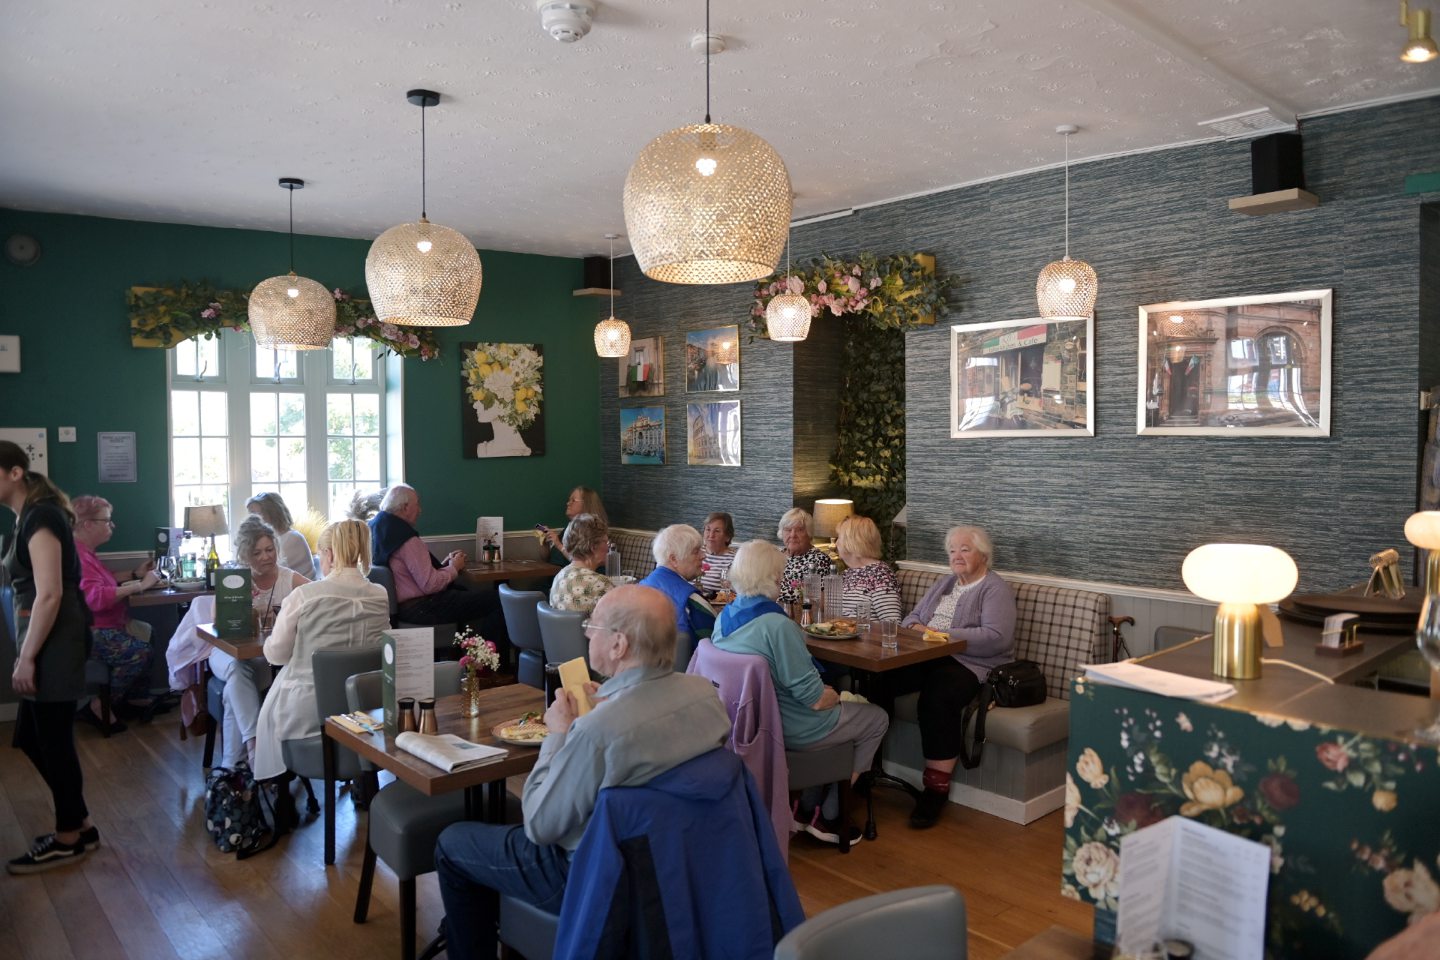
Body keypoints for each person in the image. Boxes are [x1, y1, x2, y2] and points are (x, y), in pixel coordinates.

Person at [432, 584, 731, 959]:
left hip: (592, 873)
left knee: (453, 843)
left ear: (619, 645)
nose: (587, 632)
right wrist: (614, 698)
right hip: (677, 862)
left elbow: (540, 826)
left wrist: (558, 735)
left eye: (593, 625)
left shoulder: (597, 732)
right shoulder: (706, 696)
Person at [712, 540, 889, 846]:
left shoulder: (724, 619)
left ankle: (805, 805)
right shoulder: (777, 626)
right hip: (791, 727)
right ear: (775, 578)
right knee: (876, 718)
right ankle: (832, 814)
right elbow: (817, 700)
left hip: (745, 724)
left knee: (847, 705)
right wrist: (832, 694)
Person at [1, 441, 98, 873]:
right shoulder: (29, 516)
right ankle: (80, 824)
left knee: (53, 740)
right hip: (48, 639)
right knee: (32, 737)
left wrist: (27, 658)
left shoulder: (41, 516)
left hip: (54, 642)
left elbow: (51, 593)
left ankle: (68, 837)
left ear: (15, 473)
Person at [896, 525, 1015, 829]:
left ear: (983, 555)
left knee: (938, 697)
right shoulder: (945, 582)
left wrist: (938, 634)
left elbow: (996, 637)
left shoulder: (994, 588)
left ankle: (935, 790)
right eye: (952, 550)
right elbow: (912, 618)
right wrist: (917, 631)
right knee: (879, 679)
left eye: (965, 549)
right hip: (926, 655)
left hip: (973, 664)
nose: (956, 556)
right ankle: (864, 769)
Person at [251, 519, 389, 782]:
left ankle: (275, 787)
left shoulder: (305, 596)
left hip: (309, 716)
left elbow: (275, 655)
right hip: (365, 712)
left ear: (330, 555)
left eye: (320, 556)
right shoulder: (379, 595)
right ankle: (362, 784)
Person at [208, 515, 310, 769]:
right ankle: (255, 742)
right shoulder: (237, 577)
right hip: (226, 654)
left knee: (235, 688)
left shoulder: (289, 579)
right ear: (245, 554)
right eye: (257, 552)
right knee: (236, 667)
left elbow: (319, 598)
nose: (265, 557)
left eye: (269, 549)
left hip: (265, 659)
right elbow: (214, 618)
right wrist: (236, 592)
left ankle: (235, 765)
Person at [369, 484, 506, 648]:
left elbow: (410, 575)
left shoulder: (378, 529)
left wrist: (445, 566)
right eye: (417, 504)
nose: (420, 510)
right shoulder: (407, 540)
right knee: (499, 600)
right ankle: (484, 662)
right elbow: (430, 584)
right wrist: (454, 568)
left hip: (400, 608)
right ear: (405, 508)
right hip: (423, 606)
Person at [71, 495, 159, 732]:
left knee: (147, 632)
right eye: (107, 521)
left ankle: (132, 699)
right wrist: (141, 585)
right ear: (88, 524)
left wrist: (134, 573)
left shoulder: (86, 552)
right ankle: (99, 706)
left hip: (109, 625)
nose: (112, 525)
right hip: (90, 632)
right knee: (139, 652)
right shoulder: (78, 556)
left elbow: (103, 581)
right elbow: (95, 598)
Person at [637, 524, 715, 654]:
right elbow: (714, 645)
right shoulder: (692, 601)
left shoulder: (639, 588)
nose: (703, 556)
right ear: (674, 559)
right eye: (696, 551)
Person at [835, 515, 902, 622]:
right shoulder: (847, 573)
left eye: (839, 537)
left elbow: (892, 624)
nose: (836, 543)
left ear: (853, 542)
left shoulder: (880, 575)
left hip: (866, 637)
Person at [548, 513, 614, 615]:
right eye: (605, 542)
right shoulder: (601, 584)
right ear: (593, 547)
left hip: (558, 631)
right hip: (585, 631)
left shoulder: (559, 576)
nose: (608, 547)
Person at [247, 492, 316, 578]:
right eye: (250, 514)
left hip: (301, 590)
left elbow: (267, 571)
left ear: (272, 514)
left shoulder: (293, 538)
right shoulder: (271, 538)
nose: (251, 519)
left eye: (255, 514)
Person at [775, 508, 833, 604]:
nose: (793, 535)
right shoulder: (775, 556)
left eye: (800, 530)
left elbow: (819, 602)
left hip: (798, 614)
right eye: (788, 530)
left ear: (809, 533)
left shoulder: (820, 560)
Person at [542, 485, 607, 562]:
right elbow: (549, 558)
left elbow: (581, 562)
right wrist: (545, 543)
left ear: (586, 504)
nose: (568, 503)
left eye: (573, 500)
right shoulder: (570, 528)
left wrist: (558, 544)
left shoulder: (592, 530)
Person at [696, 511, 736, 595]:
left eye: (717, 531)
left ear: (727, 537)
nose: (711, 535)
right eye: (708, 529)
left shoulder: (734, 560)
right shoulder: (694, 552)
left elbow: (733, 591)